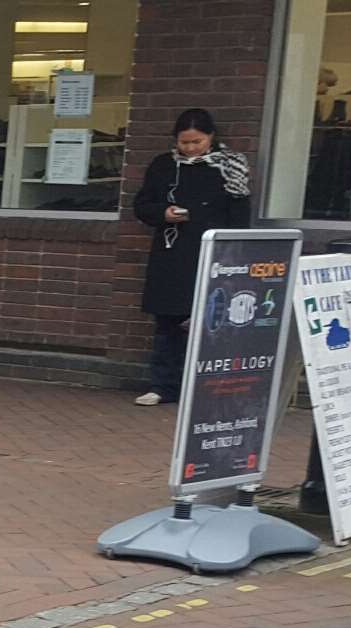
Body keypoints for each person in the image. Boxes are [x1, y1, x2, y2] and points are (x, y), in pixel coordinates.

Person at [132, 108, 251, 406]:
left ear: (211, 137)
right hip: (172, 252)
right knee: (169, 322)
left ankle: (206, 387)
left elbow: (239, 213)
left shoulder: (230, 167)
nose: (190, 148)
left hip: (213, 252)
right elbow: (142, 205)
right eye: (184, 143)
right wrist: (163, 213)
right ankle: (163, 385)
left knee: (212, 319)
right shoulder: (163, 165)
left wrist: (234, 250)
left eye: (197, 142)